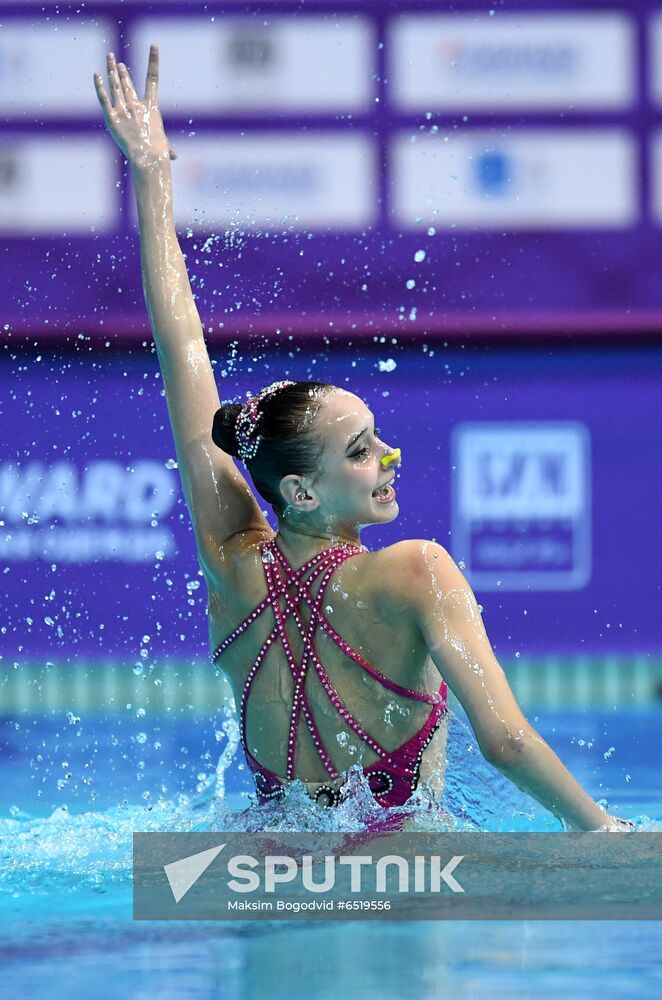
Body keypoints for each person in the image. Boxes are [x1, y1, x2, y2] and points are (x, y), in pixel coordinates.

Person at [94, 45, 632, 831]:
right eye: (360, 450)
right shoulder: (418, 572)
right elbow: (508, 742)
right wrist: (610, 834)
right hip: (403, 885)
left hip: (263, 874)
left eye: (378, 439)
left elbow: (182, 350)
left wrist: (151, 179)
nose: (389, 458)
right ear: (301, 490)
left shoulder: (233, 565)